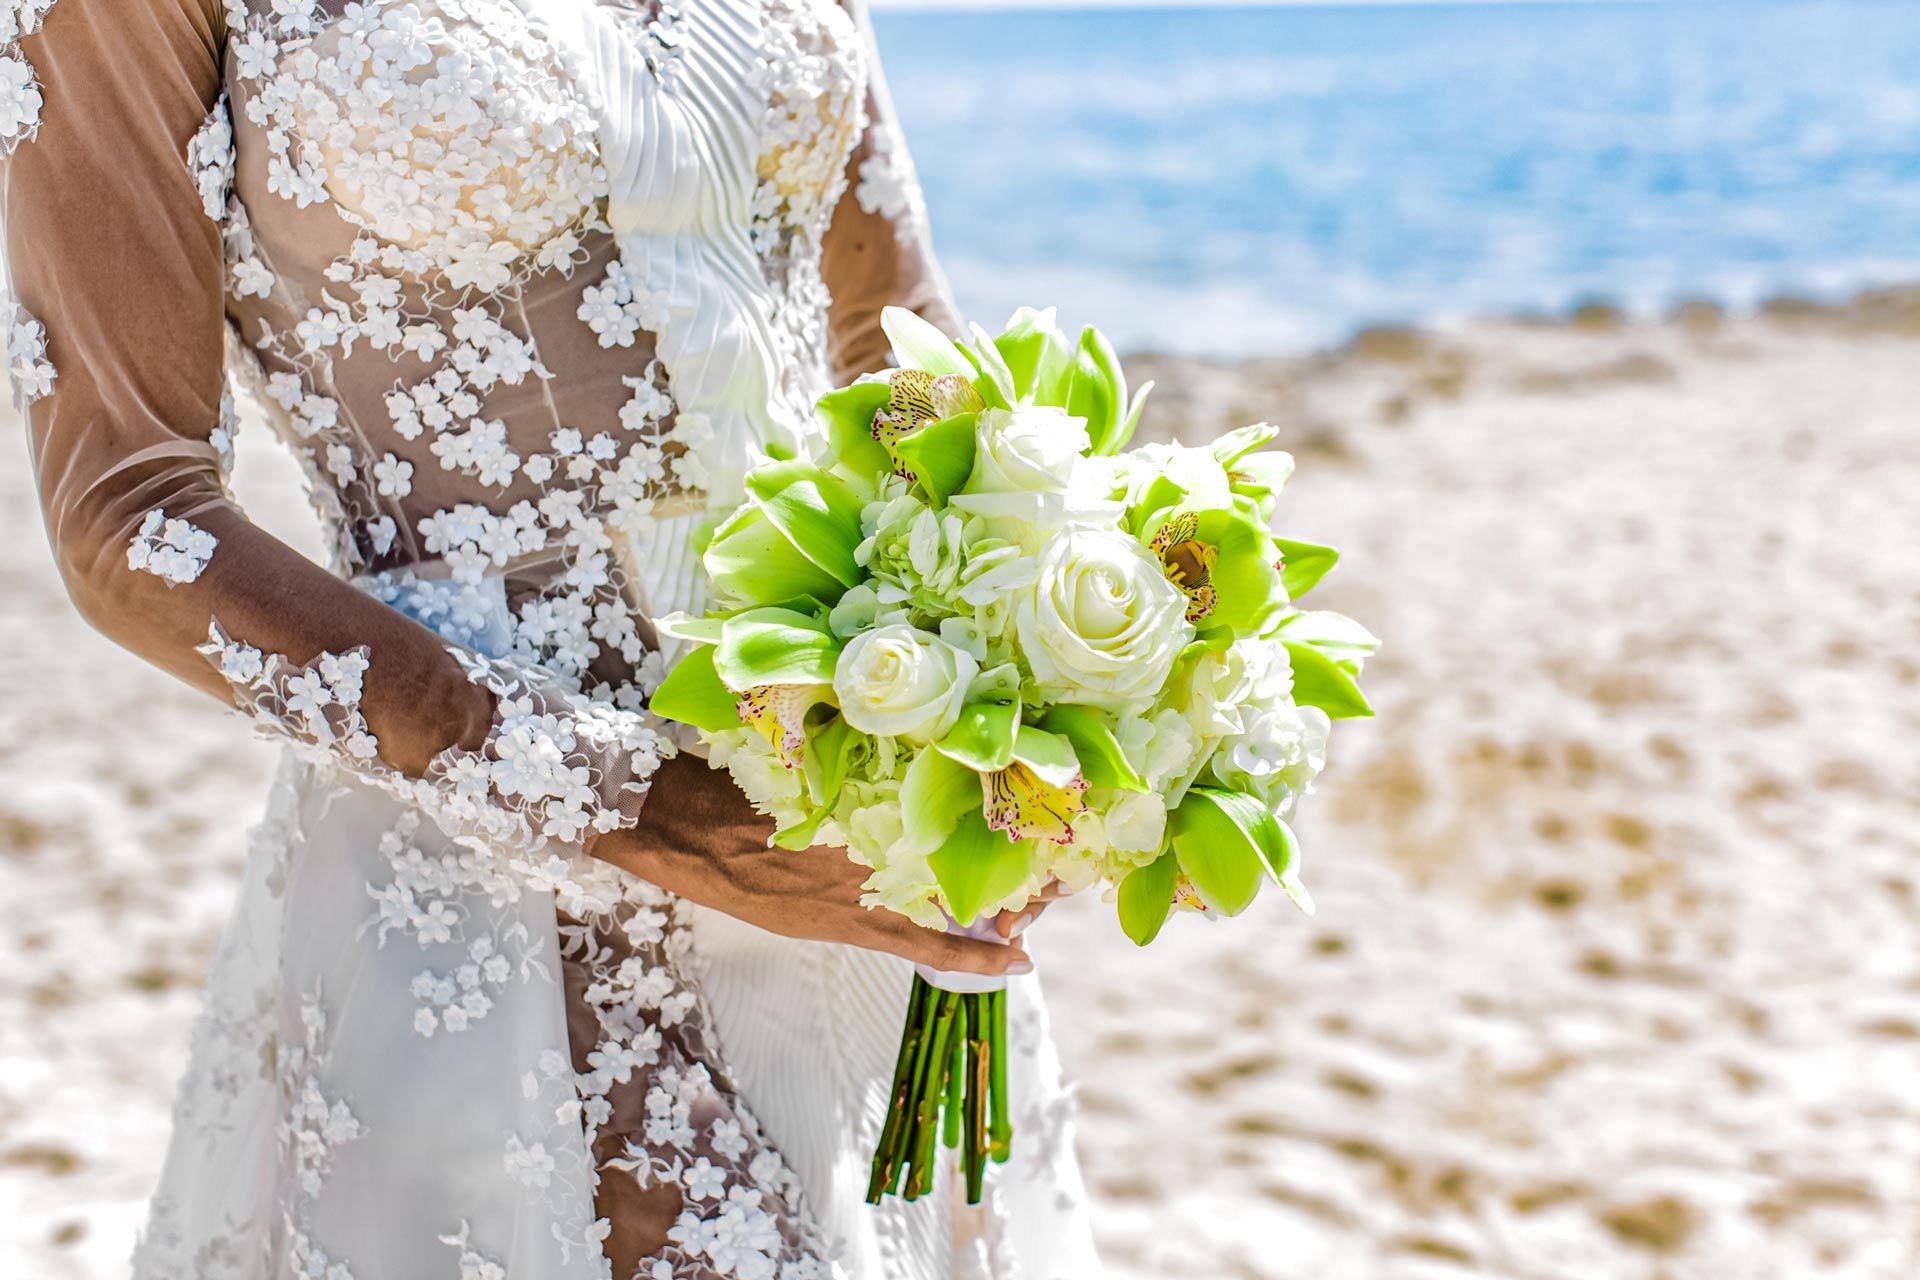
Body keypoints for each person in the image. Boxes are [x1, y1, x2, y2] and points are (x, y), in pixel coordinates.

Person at [0, 1, 1097, 1275]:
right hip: (500, 845)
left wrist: (1052, 685)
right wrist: (646, 802)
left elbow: (897, 339)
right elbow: (129, 516)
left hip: (863, 796)